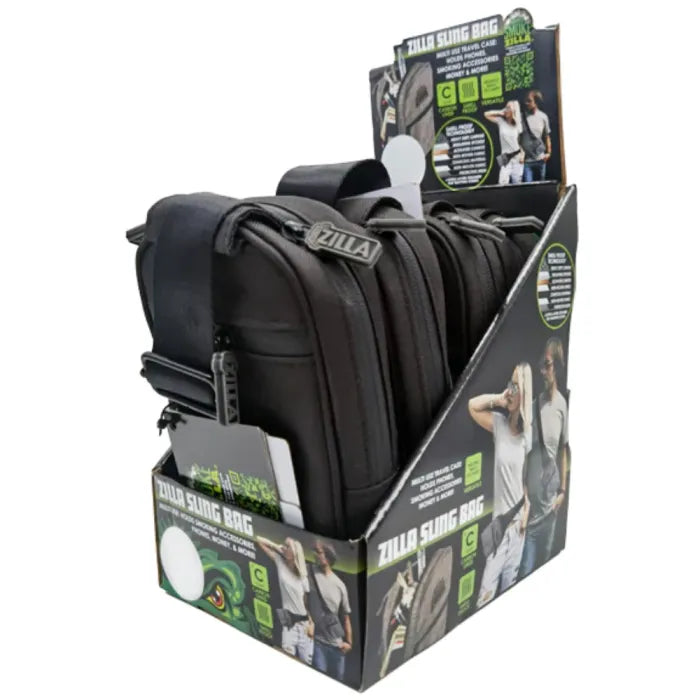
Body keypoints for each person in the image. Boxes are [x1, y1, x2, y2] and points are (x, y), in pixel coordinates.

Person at [469, 362, 533, 607]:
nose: (511, 390)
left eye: (516, 386)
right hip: (500, 529)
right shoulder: (499, 424)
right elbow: (472, 406)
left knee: (511, 591)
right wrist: (499, 398)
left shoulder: (528, 436)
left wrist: (527, 508)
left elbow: (526, 478)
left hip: (518, 529)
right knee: (484, 599)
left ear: (525, 392)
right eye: (510, 384)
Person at [520, 338, 569, 577]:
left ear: (556, 367)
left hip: (551, 512)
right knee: (525, 571)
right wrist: (524, 495)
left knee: (547, 565)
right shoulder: (533, 407)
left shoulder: (561, 406)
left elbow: (563, 450)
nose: (542, 371)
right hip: (531, 515)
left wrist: (562, 492)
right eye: (541, 365)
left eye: (547, 365)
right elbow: (524, 455)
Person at [256, 536, 313, 663]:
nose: (284, 547)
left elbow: (306, 602)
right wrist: (276, 546)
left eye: (288, 546)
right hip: (288, 622)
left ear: (295, 552)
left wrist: (311, 623)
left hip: (304, 624)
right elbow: (259, 540)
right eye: (284, 545)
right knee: (287, 657)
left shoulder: (303, 577)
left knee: (307, 663)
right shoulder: (280, 562)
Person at [308, 540, 353, 681]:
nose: (315, 554)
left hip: (337, 646)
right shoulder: (310, 572)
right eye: (315, 551)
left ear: (327, 556)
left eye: (319, 552)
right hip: (318, 642)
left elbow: (346, 618)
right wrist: (309, 621)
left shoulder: (340, 585)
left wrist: (349, 643)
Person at [484, 100, 524, 185]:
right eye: (506, 107)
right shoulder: (501, 121)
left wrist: (523, 155)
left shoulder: (517, 124)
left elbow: (520, 143)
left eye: (509, 107)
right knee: (502, 183)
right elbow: (486, 114)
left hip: (517, 157)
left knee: (517, 184)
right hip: (505, 157)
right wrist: (500, 112)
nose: (506, 109)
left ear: (513, 110)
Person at [521, 90, 552, 182]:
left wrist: (549, 153)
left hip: (541, 160)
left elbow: (547, 136)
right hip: (527, 161)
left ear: (536, 102)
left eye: (529, 101)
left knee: (541, 187)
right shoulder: (521, 117)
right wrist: (521, 154)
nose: (526, 103)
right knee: (528, 187)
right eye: (526, 100)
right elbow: (517, 138)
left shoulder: (543, 117)